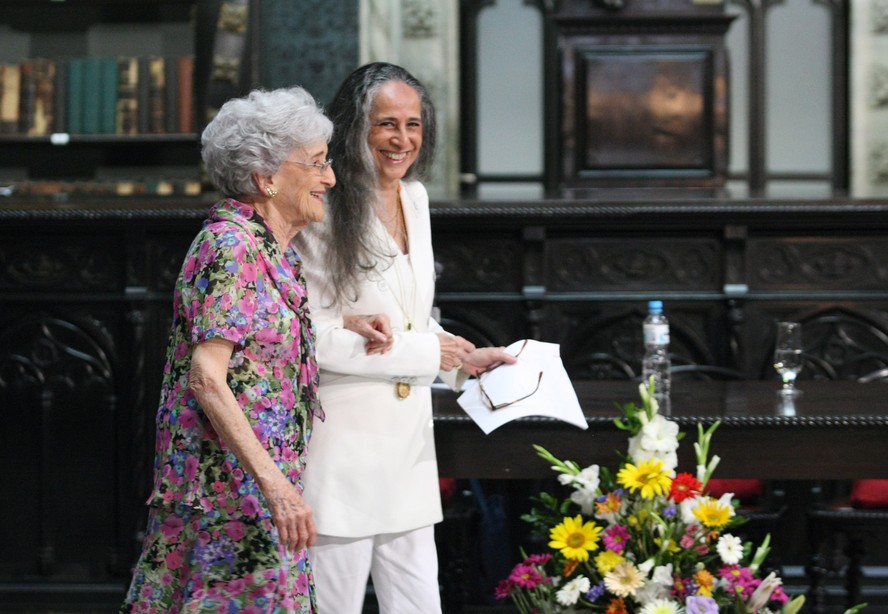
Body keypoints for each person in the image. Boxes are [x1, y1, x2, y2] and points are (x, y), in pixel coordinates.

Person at [293, 62, 517, 613]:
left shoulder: (414, 199)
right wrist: (425, 354)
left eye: (413, 124)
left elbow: (411, 319)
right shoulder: (320, 210)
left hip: (408, 451)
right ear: (353, 129)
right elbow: (307, 338)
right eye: (386, 124)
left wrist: (462, 359)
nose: (402, 139)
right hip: (340, 450)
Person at [121, 87, 337, 612]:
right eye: (316, 164)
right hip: (231, 494)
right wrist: (277, 489)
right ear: (266, 179)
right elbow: (206, 379)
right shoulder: (231, 247)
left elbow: (263, 340)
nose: (330, 178)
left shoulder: (268, 250)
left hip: (255, 490)